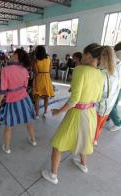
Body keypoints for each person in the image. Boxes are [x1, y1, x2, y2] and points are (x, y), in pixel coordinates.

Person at [42, 43, 107, 185]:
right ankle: (83, 165)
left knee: (58, 144)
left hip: (77, 113)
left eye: (83, 54)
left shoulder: (79, 70)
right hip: (90, 113)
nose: (81, 57)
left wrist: (59, 111)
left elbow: (74, 99)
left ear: (89, 56)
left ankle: (53, 175)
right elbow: (98, 97)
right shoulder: (101, 74)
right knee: (85, 139)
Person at [0, 48, 36, 154]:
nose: (10, 56)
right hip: (25, 99)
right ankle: (33, 140)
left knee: (8, 126)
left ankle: (7, 148)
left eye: (12, 54)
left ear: (16, 56)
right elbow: (25, 86)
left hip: (11, 101)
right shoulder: (25, 69)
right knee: (28, 121)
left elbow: (3, 90)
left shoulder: (5, 70)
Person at [94, 46, 119, 145]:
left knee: (94, 128)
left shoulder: (102, 73)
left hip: (101, 107)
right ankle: (95, 140)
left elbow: (102, 93)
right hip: (109, 105)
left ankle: (91, 144)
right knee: (99, 127)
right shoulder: (117, 69)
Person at [33, 46, 54, 119]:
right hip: (47, 78)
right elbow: (50, 69)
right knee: (46, 97)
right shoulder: (48, 58)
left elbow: (36, 72)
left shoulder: (36, 60)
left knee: (37, 98)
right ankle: (45, 112)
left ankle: (37, 114)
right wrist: (47, 74)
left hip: (39, 78)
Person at [108, 42, 121, 132]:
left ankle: (118, 123)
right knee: (110, 103)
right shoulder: (117, 58)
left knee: (112, 104)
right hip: (116, 85)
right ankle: (108, 117)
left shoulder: (117, 57)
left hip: (117, 86)